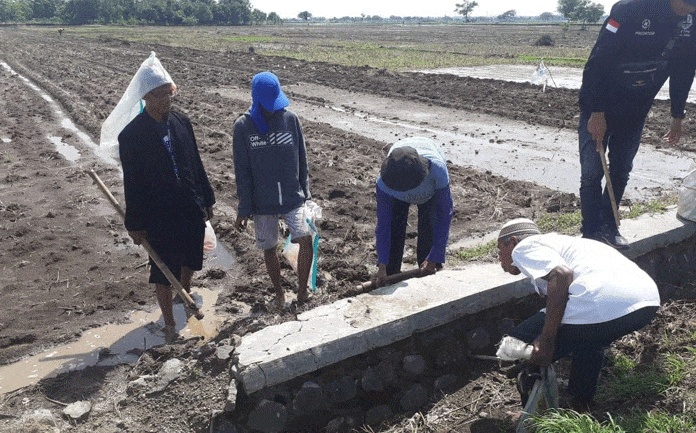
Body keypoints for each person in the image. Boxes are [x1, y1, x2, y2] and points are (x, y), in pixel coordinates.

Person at [496, 218, 660, 409]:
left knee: (516, 343)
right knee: (589, 339)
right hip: (645, 303)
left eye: (500, 249)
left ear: (513, 241)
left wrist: (546, 340)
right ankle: (580, 404)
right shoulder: (569, 244)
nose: (499, 257)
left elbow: (562, 275)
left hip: (600, 302)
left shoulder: (524, 248)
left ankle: (535, 416)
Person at [578, 0, 696, 248]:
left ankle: (610, 227)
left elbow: (684, 69)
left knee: (621, 169)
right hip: (601, 102)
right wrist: (596, 112)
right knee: (592, 171)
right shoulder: (630, 10)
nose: (689, 9)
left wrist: (678, 115)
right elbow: (598, 61)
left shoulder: (689, 21)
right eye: (686, 3)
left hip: (635, 107)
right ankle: (590, 233)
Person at [119, 62, 215, 339]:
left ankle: (183, 293)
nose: (167, 99)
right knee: (163, 267)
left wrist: (207, 199)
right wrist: (134, 223)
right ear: (146, 98)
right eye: (160, 94)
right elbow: (132, 183)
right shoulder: (132, 136)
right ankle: (170, 324)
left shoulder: (181, 122)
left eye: (169, 92)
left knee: (189, 256)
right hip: (157, 212)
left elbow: (196, 163)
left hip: (188, 203)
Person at [233, 71, 313, 309]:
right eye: (268, 106)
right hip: (262, 200)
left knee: (305, 239)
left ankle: (301, 292)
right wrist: (244, 208)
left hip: (292, 196)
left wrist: (304, 193)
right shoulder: (244, 127)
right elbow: (242, 171)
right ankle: (279, 293)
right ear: (257, 101)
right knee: (269, 248)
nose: (273, 110)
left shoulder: (290, 120)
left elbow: (301, 157)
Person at [371, 137, 453, 288]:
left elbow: (444, 214)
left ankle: (430, 275)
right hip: (396, 197)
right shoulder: (385, 182)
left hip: (429, 196)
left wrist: (434, 256)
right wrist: (382, 264)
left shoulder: (437, 170)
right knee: (394, 235)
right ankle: (390, 275)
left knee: (429, 231)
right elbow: (384, 225)